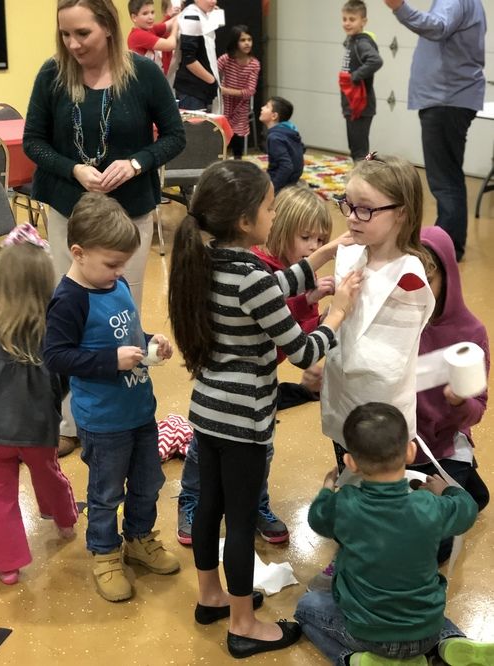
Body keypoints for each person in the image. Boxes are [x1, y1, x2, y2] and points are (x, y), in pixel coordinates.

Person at [168, 160, 361, 658]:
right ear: (245, 220)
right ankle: (243, 624)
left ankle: (210, 596)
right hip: (244, 422)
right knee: (238, 520)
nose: (274, 217)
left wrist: (322, 255)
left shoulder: (208, 259)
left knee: (208, 508)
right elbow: (303, 352)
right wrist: (339, 310)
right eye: (271, 208)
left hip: (208, 411)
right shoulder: (251, 276)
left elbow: (274, 287)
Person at [23, 0, 185, 457]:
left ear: (109, 28)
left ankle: (124, 415)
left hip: (128, 216)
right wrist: (73, 169)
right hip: (69, 213)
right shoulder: (52, 74)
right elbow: (34, 141)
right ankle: (70, 421)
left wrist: (136, 163)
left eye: (83, 34)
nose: (73, 44)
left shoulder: (143, 74)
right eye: (66, 34)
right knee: (68, 317)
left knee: (120, 316)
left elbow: (175, 136)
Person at [176, 185, 345, 547]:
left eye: (320, 239)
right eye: (306, 237)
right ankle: (193, 500)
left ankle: (253, 503)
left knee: (253, 452)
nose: (314, 246)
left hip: (251, 390)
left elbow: (284, 317)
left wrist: (313, 300)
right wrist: (336, 317)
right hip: (236, 393)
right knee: (211, 453)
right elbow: (293, 343)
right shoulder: (254, 271)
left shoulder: (244, 265)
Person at [43, 193, 179, 603]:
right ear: (78, 253)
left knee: (148, 483)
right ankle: (104, 553)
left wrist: (150, 340)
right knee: (105, 494)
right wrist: (110, 361)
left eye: (123, 264)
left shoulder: (113, 283)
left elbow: (126, 333)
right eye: (112, 264)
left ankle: (139, 538)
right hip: (103, 422)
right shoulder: (69, 299)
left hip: (139, 410)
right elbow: (55, 356)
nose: (120, 273)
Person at [295, 402, 494, 666]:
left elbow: (317, 518)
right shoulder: (429, 506)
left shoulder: (345, 505)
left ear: (350, 462)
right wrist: (447, 490)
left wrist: (327, 488)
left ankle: (356, 660)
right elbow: (467, 510)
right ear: (411, 451)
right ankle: (450, 641)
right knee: (420, 612)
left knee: (307, 606)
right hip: (426, 631)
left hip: (368, 635)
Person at [321, 153, 435, 473]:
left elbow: (387, 362)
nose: (352, 218)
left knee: (374, 489)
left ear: (401, 213)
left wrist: (330, 339)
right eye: (347, 204)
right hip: (343, 402)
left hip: (380, 422)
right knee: (347, 473)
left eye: (366, 209)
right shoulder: (352, 254)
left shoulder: (408, 279)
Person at [0, 225, 78, 586]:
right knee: (49, 475)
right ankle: (64, 519)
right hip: (39, 430)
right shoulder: (52, 333)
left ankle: (7, 565)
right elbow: (64, 380)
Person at [383, 0, 486, 262]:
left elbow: (438, 26)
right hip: (448, 100)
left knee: (445, 180)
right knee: (448, 176)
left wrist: (400, 7)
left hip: (446, 100)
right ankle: (449, 243)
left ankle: (445, 249)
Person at [410, 225, 490, 563]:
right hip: (398, 445)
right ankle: (466, 484)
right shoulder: (396, 321)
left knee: (434, 548)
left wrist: (459, 402)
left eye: (429, 281)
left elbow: (477, 409)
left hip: (442, 441)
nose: (419, 293)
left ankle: (464, 476)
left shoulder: (470, 333)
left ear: (448, 278)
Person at [339, 1, 383, 161]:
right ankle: (361, 172)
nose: (347, 23)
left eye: (352, 19)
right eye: (344, 19)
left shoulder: (362, 43)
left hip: (360, 104)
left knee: (359, 150)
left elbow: (376, 61)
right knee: (355, 147)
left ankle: (365, 174)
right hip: (351, 103)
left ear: (363, 21)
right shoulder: (353, 40)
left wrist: (354, 77)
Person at [217, 25, 261, 159]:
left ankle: (238, 161)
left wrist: (225, 90)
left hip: (241, 105)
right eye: (243, 40)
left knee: (238, 137)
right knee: (220, 133)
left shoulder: (254, 64)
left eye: (249, 39)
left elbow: (250, 91)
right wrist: (218, 89)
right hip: (225, 104)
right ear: (235, 42)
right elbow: (213, 73)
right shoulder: (225, 59)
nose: (247, 43)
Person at [174, 0, 221, 112]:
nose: (213, 1)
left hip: (200, 89)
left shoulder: (201, 14)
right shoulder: (191, 16)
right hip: (192, 90)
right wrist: (212, 81)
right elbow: (189, 59)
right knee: (194, 123)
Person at [259, 96, 305, 194]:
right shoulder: (289, 131)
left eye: (267, 107)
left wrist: (273, 189)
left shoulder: (275, 137)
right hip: (293, 181)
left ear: (274, 116)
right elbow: (302, 148)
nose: (262, 108)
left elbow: (286, 166)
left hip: (281, 186)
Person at [127, 0, 179, 71]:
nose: (151, 17)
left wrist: (182, 14)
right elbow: (170, 45)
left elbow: (169, 24)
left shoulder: (149, 29)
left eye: (152, 12)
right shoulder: (137, 35)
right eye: (145, 14)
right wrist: (175, 27)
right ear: (134, 17)